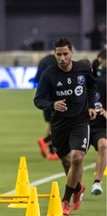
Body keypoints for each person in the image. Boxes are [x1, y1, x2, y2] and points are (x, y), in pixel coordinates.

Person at [34, 38, 97, 215]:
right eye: (59, 54)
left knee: (77, 157)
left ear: (72, 53)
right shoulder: (48, 75)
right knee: (66, 161)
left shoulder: (83, 69)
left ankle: (65, 201)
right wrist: (52, 104)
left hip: (80, 120)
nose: (62, 58)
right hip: (59, 124)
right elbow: (38, 100)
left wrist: (91, 105)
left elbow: (92, 86)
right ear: (54, 54)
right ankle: (77, 188)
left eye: (65, 54)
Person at [79, 58, 107, 196]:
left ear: (91, 71)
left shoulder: (102, 84)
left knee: (104, 145)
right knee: (77, 156)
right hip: (80, 126)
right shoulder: (74, 89)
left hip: (99, 126)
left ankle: (97, 182)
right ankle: (79, 187)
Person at [34, 50, 59, 160]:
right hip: (56, 96)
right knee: (59, 124)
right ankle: (46, 141)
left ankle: (52, 151)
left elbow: (36, 78)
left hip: (44, 96)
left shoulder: (43, 61)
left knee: (50, 123)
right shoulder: (59, 61)